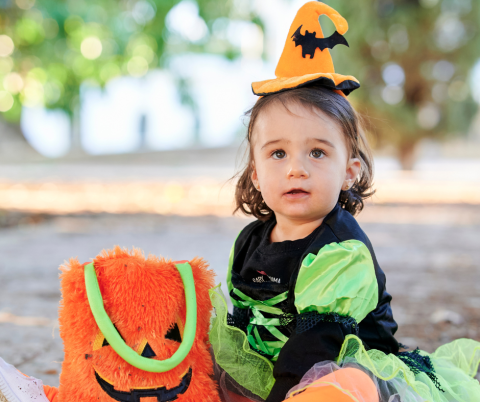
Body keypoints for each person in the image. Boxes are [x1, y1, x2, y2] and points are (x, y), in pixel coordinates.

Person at [208, 2, 480, 402]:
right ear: (255, 173)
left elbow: (320, 341)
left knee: (346, 386)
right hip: (274, 369)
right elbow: (242, 320)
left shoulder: (341, 249)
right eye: (277, 154)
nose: (296, 169)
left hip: (343, 365)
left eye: (317, 153)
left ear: (349, 171)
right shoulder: (250, 241)